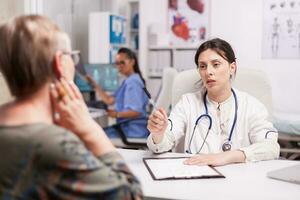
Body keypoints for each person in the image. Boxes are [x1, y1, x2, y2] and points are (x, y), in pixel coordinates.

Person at [0, 15, 142, 199]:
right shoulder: (54, 145)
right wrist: (90, 129)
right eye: (71, 57)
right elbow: (132, 196)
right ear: (59, 63)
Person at [147, 38, 280, 166]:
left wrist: (226, 157)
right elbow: (163, 143)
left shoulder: (251, 106)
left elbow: (271, 147)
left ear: (232, 67)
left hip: (239, 181)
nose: (208, 72)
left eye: (216, 65)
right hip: (196, 179)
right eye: (202, 66)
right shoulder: (187, 103)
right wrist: (158, 134)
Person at [86, 47, 149, 139]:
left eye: (122, 62)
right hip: (125, 128)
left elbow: (136, 112)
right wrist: (95, 85)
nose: (119, 66)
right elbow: (109, 100)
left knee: (93, 136)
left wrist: (116, 114)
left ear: (132, 62)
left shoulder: (133, 82)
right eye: (117, 63)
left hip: (132, 131)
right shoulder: (128, 81)